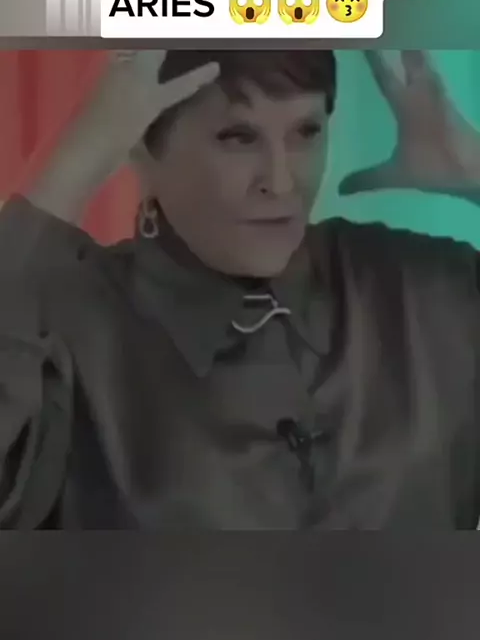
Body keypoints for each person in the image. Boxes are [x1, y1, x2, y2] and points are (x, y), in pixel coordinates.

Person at [0, 49, 479, 530]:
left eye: (307, 132)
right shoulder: (64, 327)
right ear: (143, 149)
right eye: (239, 138)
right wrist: (75, 164)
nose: (280, 182)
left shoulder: (412, 287)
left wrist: (470, 167)